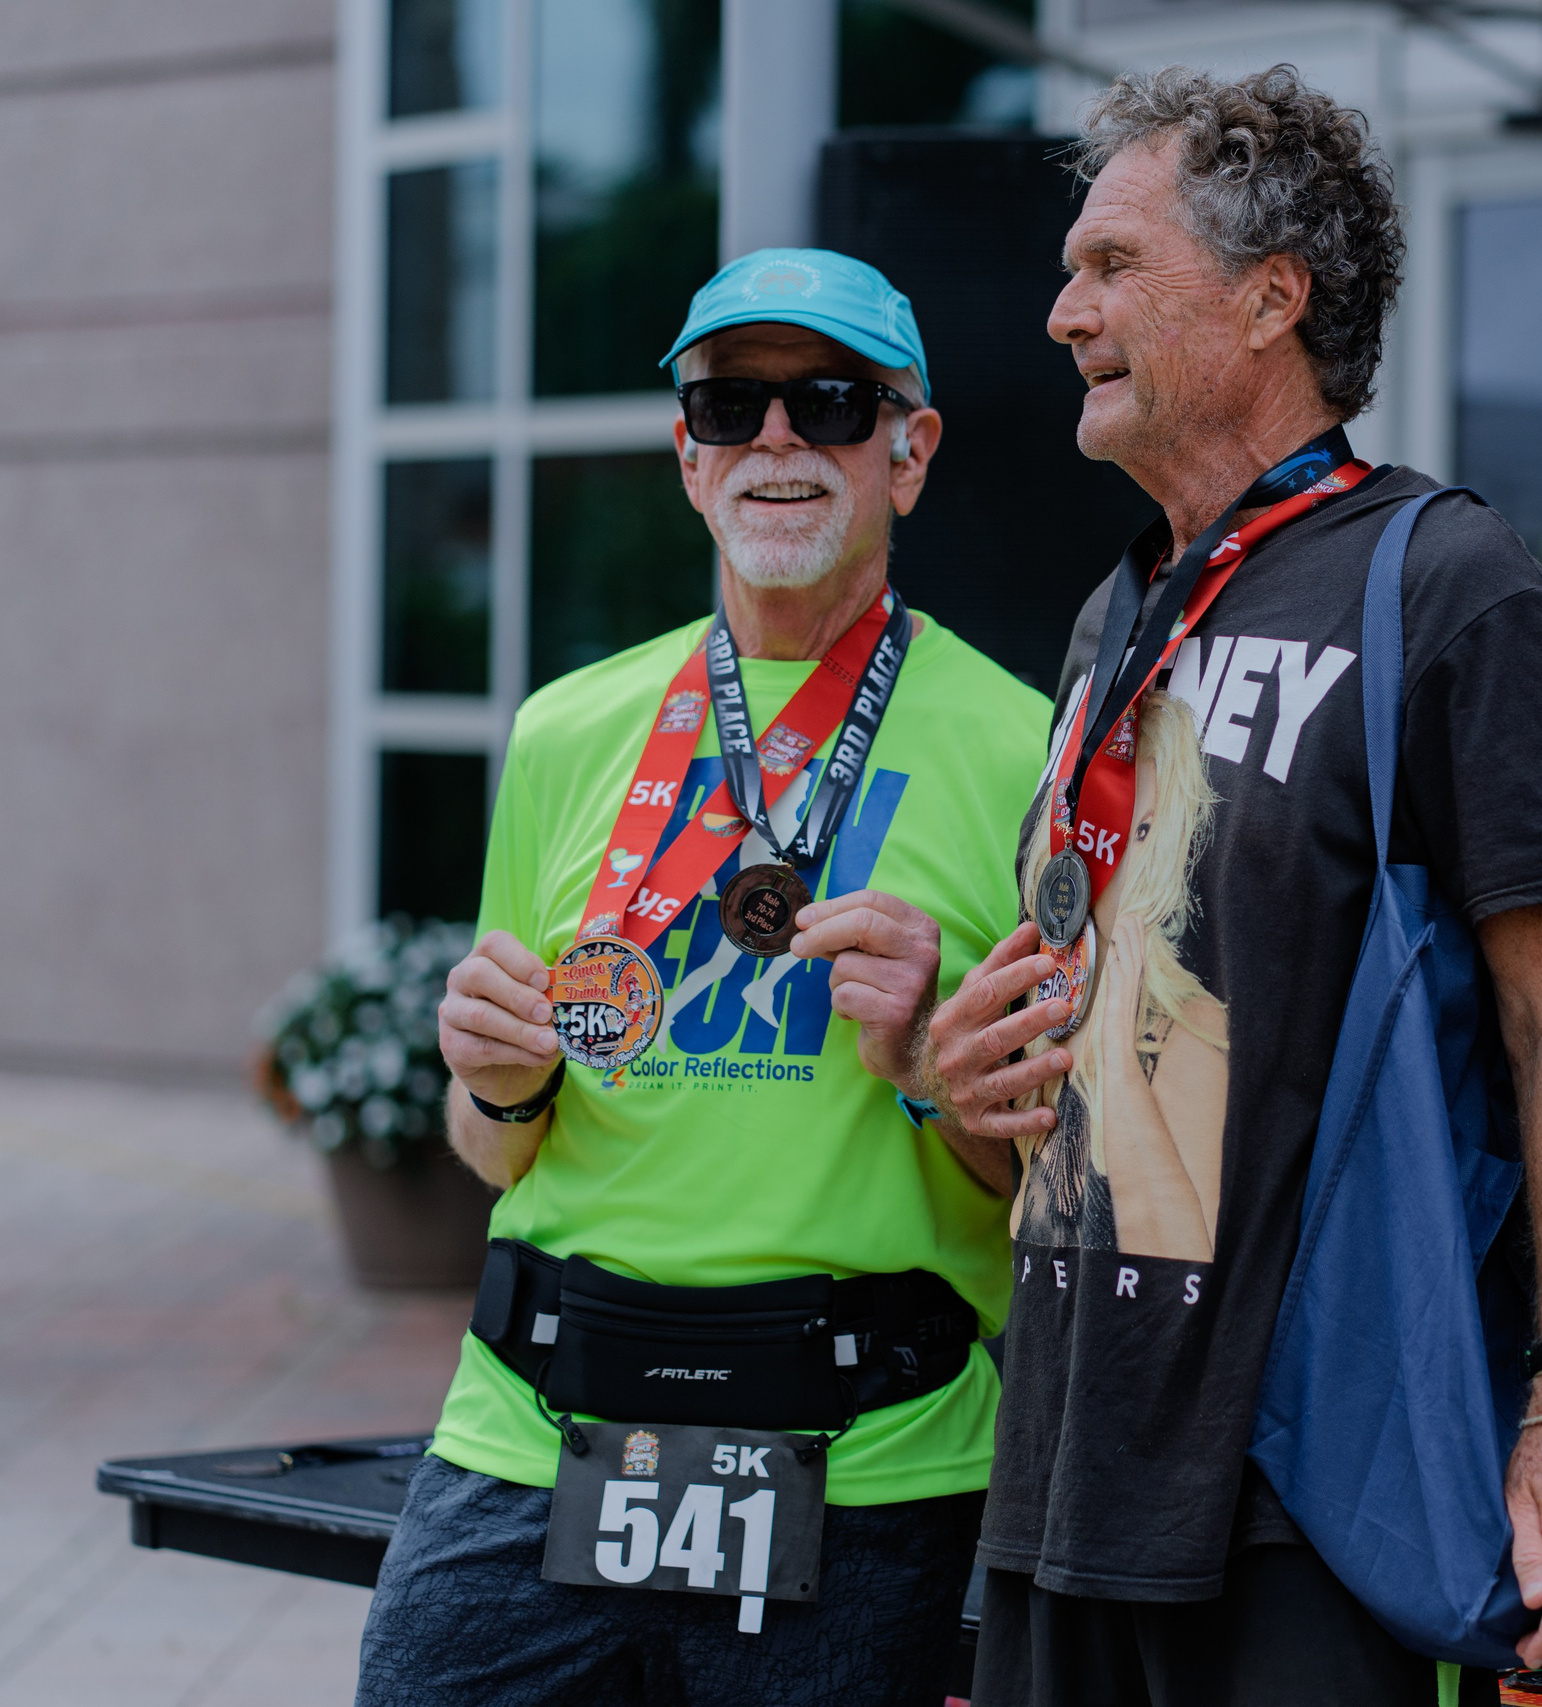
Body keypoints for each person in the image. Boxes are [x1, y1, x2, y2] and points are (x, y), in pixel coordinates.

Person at [920, 66, 1542, 1706]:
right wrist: (952, 1070)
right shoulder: (1116, 616)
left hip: (1300, 1491)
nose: (1060, 314)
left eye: (1111, 267)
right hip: (1064, 1461)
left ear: (1270, 300)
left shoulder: (1453, 591)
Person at [355, 247, 1051, 1706]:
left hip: (864, 1456)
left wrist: (933, 1064)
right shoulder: (565, 729)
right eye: (732, 405)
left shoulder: (1025, 747)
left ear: (909, 453)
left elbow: (1058, 1186)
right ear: (688, 458)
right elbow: (500, 1149)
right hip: (532, 1428)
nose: (778, 441)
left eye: (832, 402)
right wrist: (497, 1079)